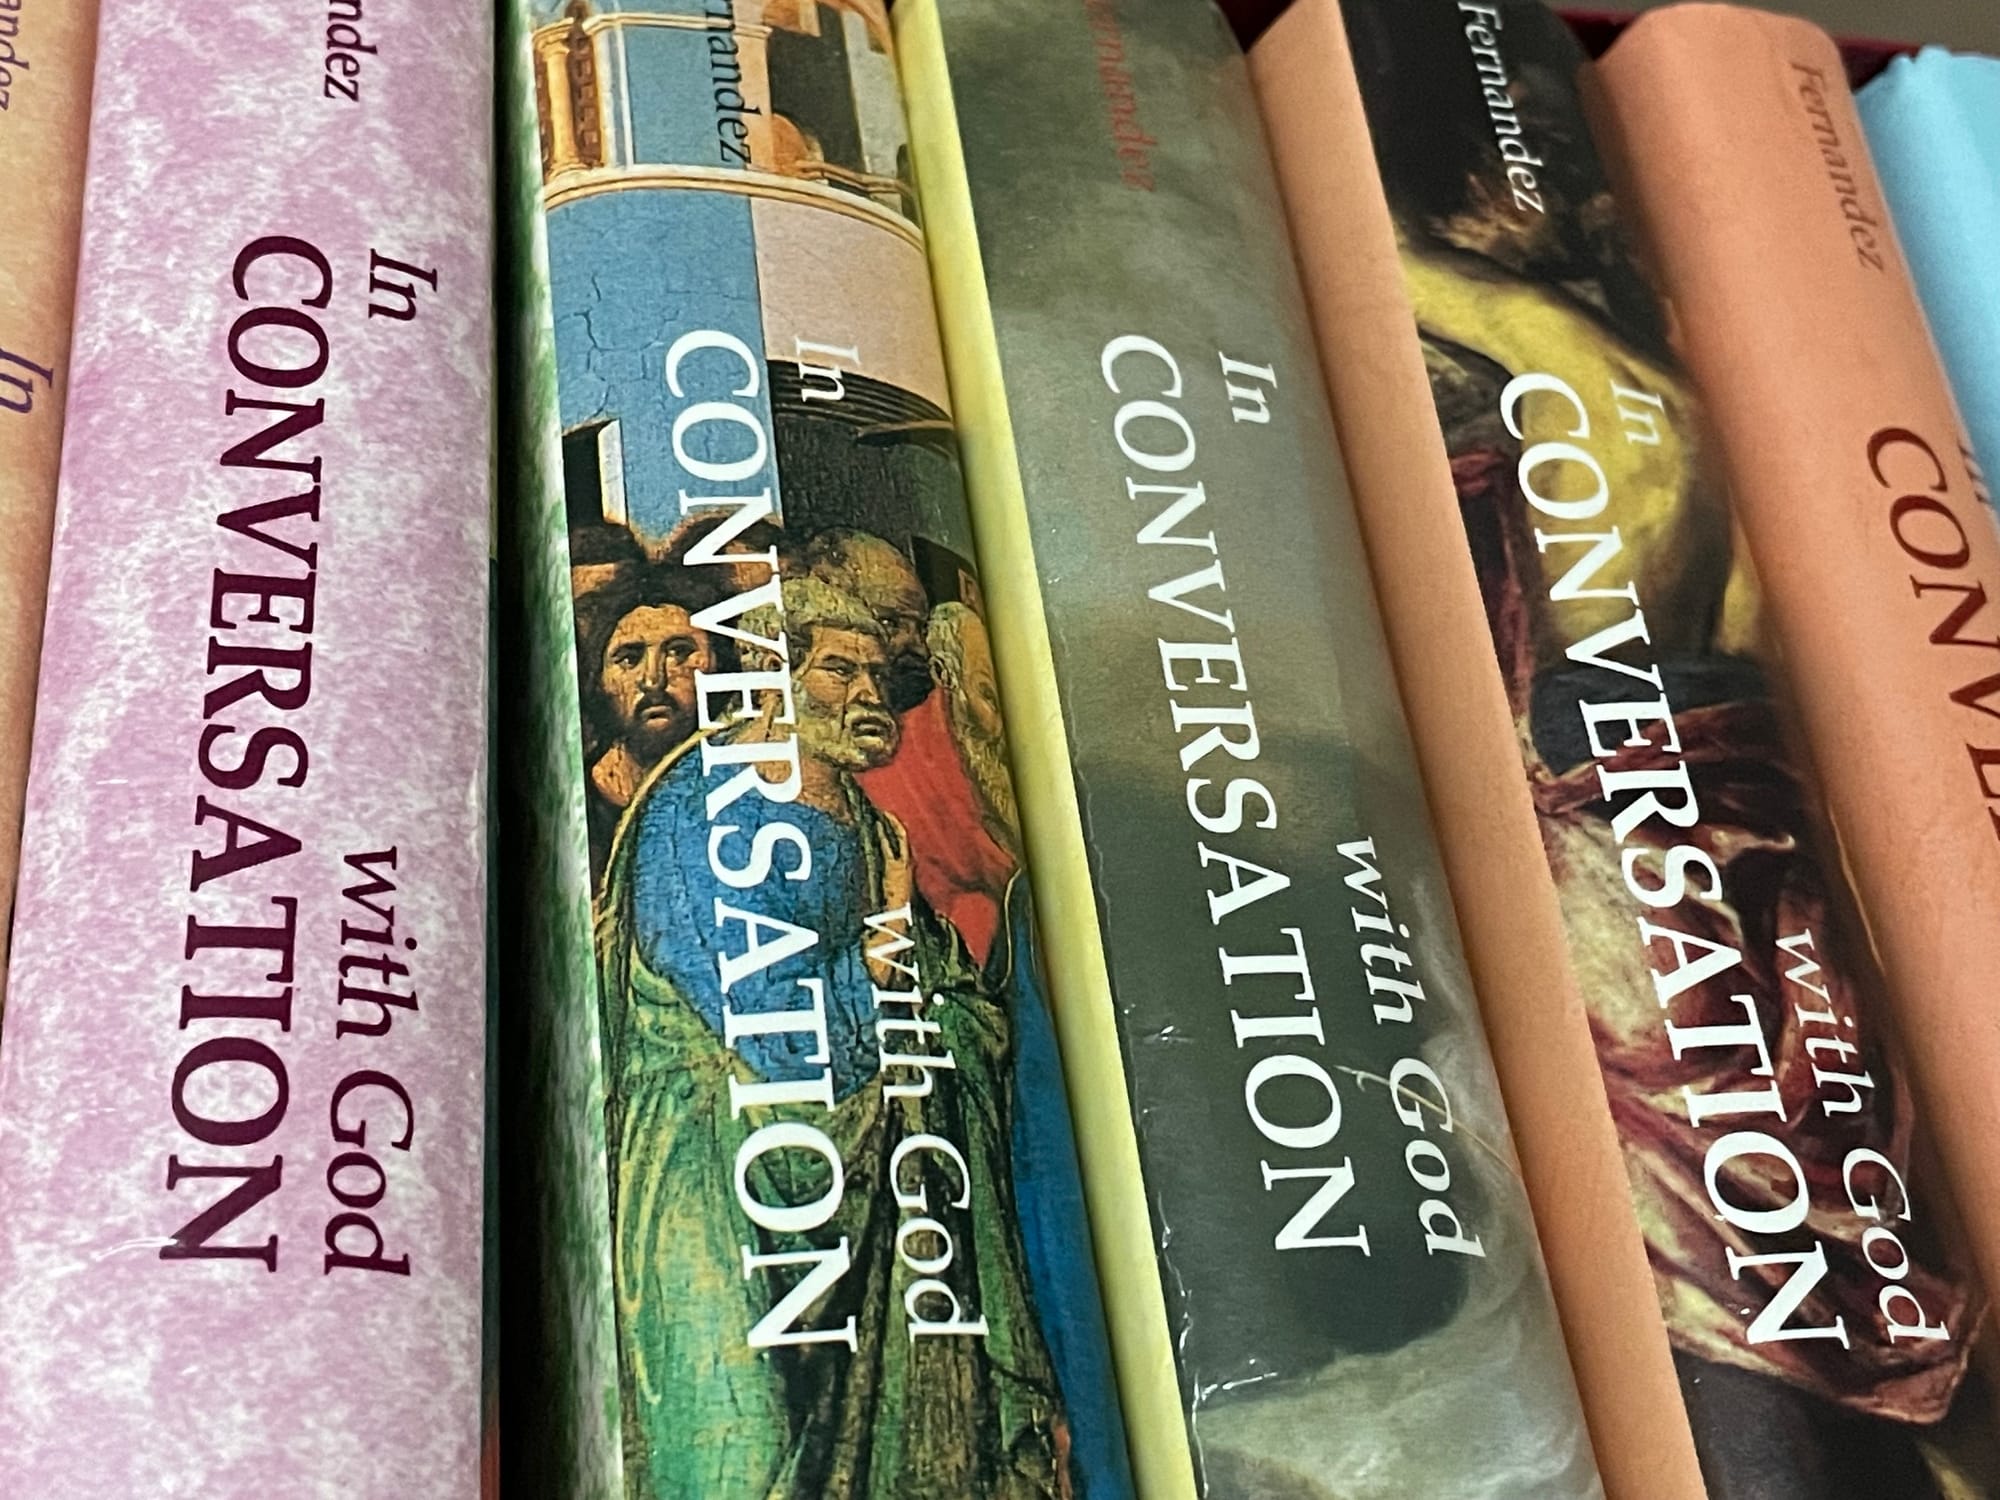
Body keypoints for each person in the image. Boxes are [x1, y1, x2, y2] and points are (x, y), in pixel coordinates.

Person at [596, 576, 1069, 1500]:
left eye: (879, 677)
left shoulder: (864, 819)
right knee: (739, 1455)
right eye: (840, 671)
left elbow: (948, 995)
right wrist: (884, 949)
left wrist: (937, 991)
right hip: (719, 1188)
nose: (868, 696)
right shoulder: (700, 808)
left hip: (867, 1189)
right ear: (774, 676)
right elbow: (773, 1037)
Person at [801, 529, 1017, 962]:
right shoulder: (826, 768)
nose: (914, 646)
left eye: (919, 627)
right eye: (892, 624)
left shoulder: (955, 718)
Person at [574, 566, 715, 881]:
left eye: (679, 652)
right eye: (629, 658)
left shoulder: (736, 786)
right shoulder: (576, 804)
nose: (653, 680)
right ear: (599, 680)